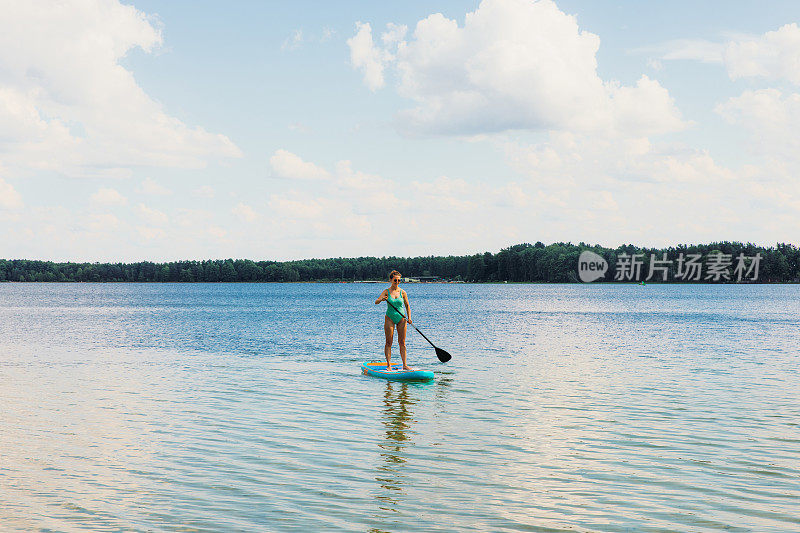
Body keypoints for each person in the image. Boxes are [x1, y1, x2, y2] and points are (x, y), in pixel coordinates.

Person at [375, 270, 413, 370]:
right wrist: (382, 299)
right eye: (395, 280)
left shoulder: (403, 292)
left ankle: (405, 365)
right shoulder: (386, 291)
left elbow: (407, 305)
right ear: (391, 280)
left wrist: (409, 318)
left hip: (402, 319)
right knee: (389, 342)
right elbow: (376, 302)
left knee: (402, 342)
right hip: (389, 318)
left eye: (399, 280)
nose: (397, 282)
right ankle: (388, 365)